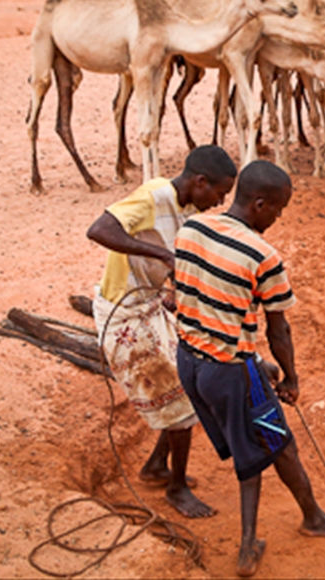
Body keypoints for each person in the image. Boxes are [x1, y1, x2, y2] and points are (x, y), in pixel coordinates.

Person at [174, 160, 325, 577]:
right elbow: (279, 330)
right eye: (278, 209)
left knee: (276, 439)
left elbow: (202, 302)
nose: (278, 217)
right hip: (228, 372)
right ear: (259, 204)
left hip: (190, 362)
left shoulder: (191, 228)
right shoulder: (263, 255)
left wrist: (256, 362)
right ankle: (248, 546)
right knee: (254, 453)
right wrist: (290, 376)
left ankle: (312, 515)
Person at [87, 144, 237, 518]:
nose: (219, 202)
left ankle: (156, 465)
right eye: (219, 193)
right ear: (200, 182)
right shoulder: (154, 196)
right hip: (123, 314)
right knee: (183, 401)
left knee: (190, 383)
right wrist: (162, 256)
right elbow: (99, 229)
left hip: (149, 307)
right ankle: (176, 488)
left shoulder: (187, 211)